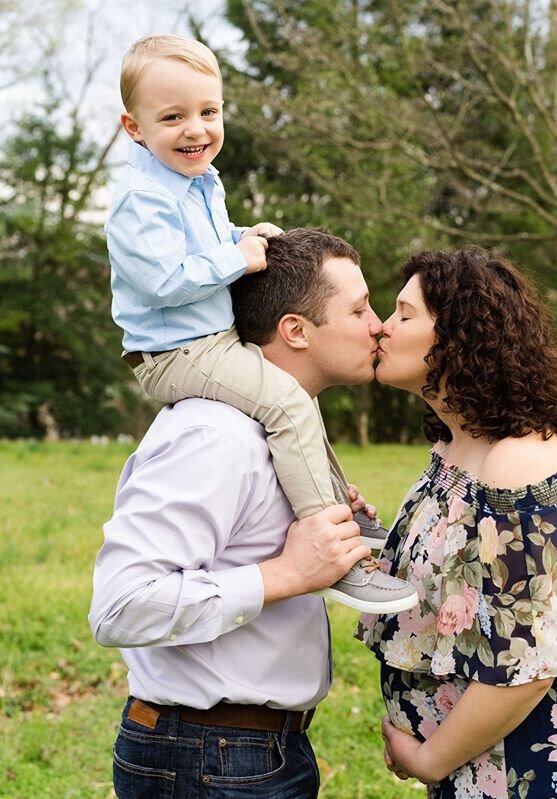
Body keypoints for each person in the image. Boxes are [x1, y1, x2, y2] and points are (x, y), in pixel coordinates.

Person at [89, 228, 418, 799]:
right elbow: (120, 605)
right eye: (361, 308)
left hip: (251, 753)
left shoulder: (280, 431)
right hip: (205, 758)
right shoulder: (215, 436)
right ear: (295, 330)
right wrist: (287, 574)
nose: (379, 325)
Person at [106, 33, 394, 608]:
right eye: (174, 116)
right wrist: (234, 258)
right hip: (173, 351)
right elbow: (162, 280)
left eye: (208, 112)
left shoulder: (197, 179)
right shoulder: (141, 197)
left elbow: (208, 243)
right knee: (285, 400)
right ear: (133, 127)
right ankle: (329, 554)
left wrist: (244, 236)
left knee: (293, 398)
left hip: (206, 339)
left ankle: (343, 516)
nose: (196, 129)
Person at [356, 248, 557, 798]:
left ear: (459, 335)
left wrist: (431, 758)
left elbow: (531, 661)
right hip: (484, 770)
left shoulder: (520, 461)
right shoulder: (455, 447)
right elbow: (460, 579)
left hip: (532, 774)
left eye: (404, 314)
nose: (382, 329)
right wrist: (365, 537)